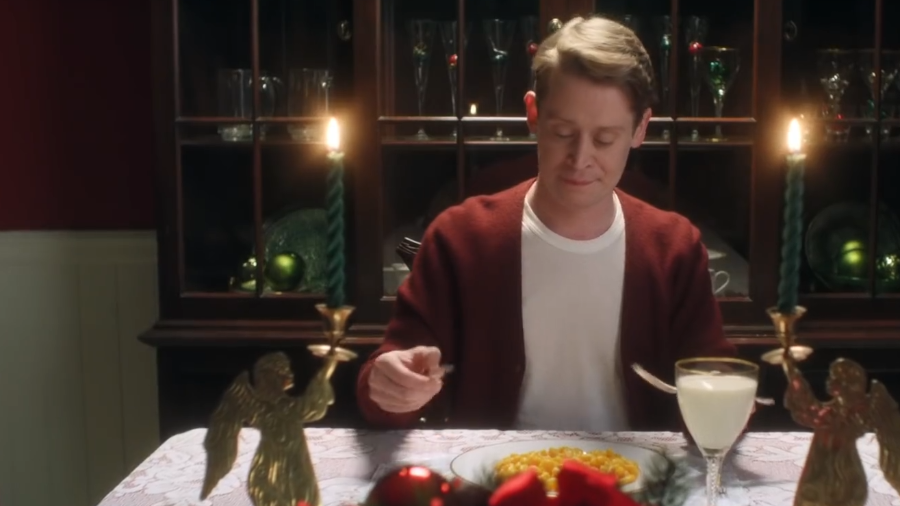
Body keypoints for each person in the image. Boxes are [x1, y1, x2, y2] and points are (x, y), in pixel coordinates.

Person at [356, 15, 736, 431]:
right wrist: (390, 386)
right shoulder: (461, 238)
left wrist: (727, 402)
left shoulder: (674, 247)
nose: (580, 158)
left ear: (641, 128)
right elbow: (390, 376)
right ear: (533, 113)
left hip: (635, 472)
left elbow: (716, 383)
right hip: (497, 472)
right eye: (562, 132)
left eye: (605, 139)